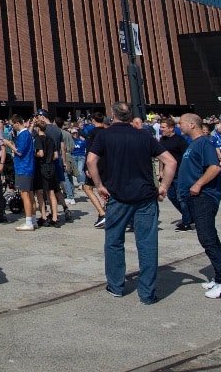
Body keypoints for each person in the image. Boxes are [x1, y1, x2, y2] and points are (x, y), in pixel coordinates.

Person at [87, 102, 177, 304]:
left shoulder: (104, 135)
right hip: (145, 197)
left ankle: (116, 286)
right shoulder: (144, 135)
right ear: (130, 116)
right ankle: (147, 293)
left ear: (113, 115)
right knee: (147, 243)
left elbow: (91, 161)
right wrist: (163, 187)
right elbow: (171, 161)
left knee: (114, 241)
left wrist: (99, 185)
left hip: (118, 196)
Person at [177, 113, 221, 299]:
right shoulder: (192, 144)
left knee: (208, 237)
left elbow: (215, 167)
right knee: (208, 237)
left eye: (182, 123)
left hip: (204, 196)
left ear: (192, 125)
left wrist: (199, 184)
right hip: (194, 197)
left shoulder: (204, 143)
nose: (180, 126)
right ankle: (219, 277)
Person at [5, 114, 38, 230]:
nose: (12, 127)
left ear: (17, 123)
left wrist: (9, 144)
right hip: (27, 167)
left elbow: (19, 152)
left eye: (12, 124)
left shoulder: (24, 134)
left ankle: (28, 221)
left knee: (25, 195)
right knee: (29, 194)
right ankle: (33, 220)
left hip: (23, 167)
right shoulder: (26, 134)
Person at [158, 118, 191, 229]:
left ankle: (187, 221)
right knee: (172, 197)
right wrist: (161, 171)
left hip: (179, 173)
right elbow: (161, 157)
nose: (161, 129)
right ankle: (189, 215)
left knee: (181, 197)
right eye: (161, 127)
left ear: (171, 128)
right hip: (168, 174)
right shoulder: (162, 140)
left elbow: (187, 157)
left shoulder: (180, 140)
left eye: (163, 127)